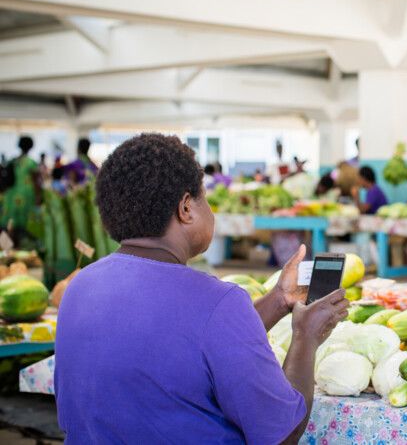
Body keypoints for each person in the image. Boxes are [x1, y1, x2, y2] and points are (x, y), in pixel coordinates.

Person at [55, 133, 348, 443]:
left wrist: (278, 300)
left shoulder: (80, 287)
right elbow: (282, 435)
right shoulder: (218, 302)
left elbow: (190, 342)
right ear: (186, 208)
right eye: (204, 196)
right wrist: (306, 337)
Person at [0, 136, 40, 240]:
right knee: (23, 224)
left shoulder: (12, 161)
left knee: (9, 222)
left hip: (11, 195)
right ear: (31, 147)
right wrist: (38, 197)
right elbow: (36, 182)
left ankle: (6, 248)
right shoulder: (31, 163)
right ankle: (20, 247)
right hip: (25, 196)